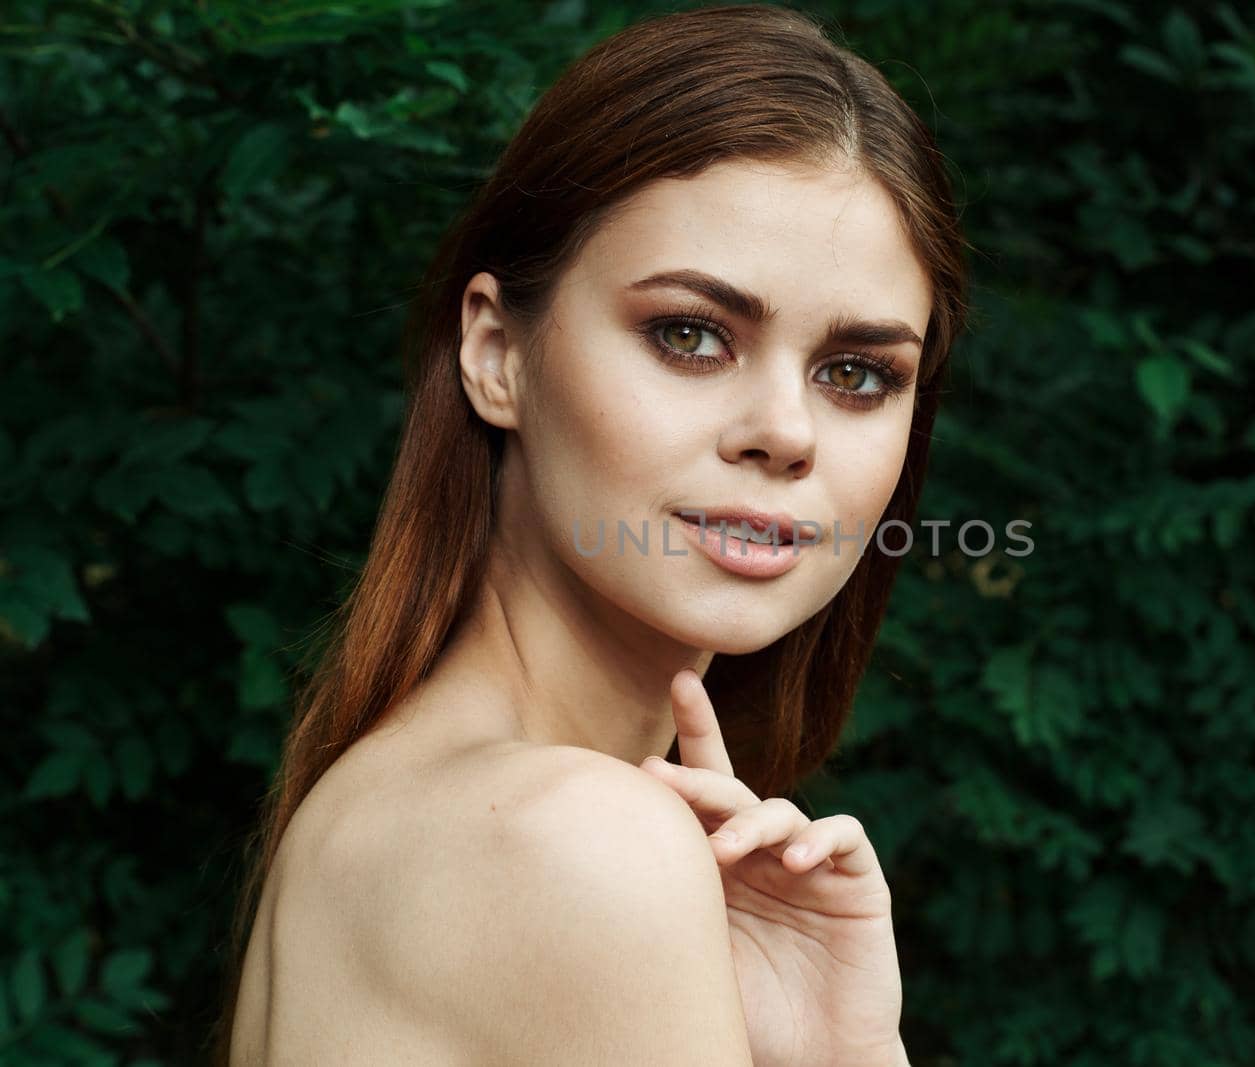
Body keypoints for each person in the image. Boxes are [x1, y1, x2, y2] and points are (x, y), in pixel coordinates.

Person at [211, 3, 969, 1063]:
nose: (785, 433)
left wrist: (842, 1052)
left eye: (857, 373)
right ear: (495, 351)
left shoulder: (387, 801)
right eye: (691, 335)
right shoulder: (575, 841)